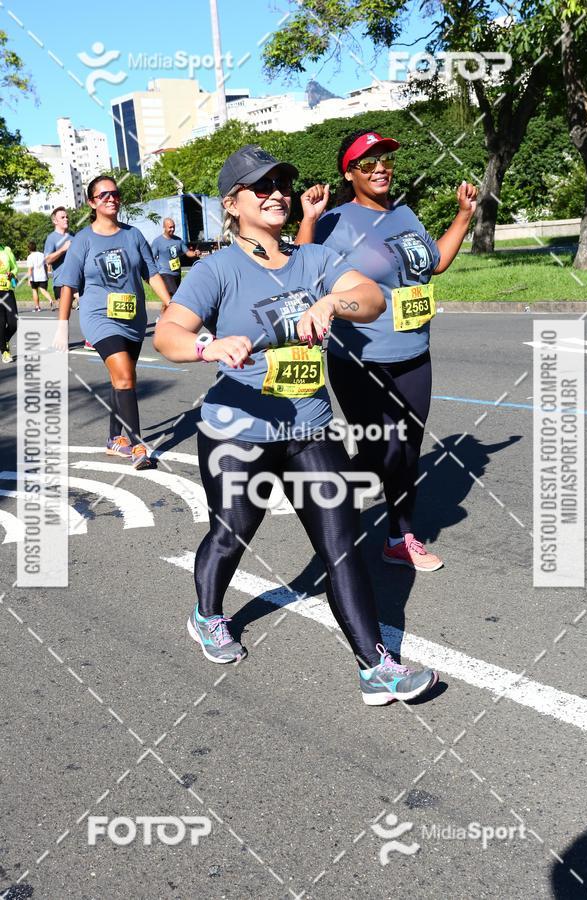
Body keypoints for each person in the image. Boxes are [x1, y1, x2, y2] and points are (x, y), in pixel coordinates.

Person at [154, 144, 438, 705]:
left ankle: (374, 666)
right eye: (262, 187)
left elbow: (370, 296)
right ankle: (207, 614)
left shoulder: (311, 260)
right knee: (233, 529)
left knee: (341, 543)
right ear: (232, 205)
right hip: (237, 428)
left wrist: (333, 306)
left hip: (308, 426)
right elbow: (168, 335)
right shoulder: (216, 270)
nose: (278, 193)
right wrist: (209, 345)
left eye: (283, 182)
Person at [298, 130, 477, 573]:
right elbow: (301, 271)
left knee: (409, 449)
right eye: (367, 162)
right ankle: (336, 497)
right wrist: (308, 216)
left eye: (384, 160)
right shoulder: (335, 221)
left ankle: (400, 537)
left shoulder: (405, 214)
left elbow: (433, 263)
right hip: (362, 357)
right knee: (385, 449)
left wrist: (464, 216)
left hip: (415, 349)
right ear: (349, 173)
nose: (380, 168)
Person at [58, 174, 171, 468]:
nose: (111, 198)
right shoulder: (82, 240)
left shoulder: (133, 235)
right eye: (104, 194)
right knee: (124, 375)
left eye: (115, 193)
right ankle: (137, 447)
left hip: (133, 319)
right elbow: (68, 283)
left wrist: (170, 303)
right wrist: (61, 325)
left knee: (121, 378)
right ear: (93, 202)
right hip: (99, 318)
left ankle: (113, 439)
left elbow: (152, 273)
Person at [151, 218, 200, 313]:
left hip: (176, 273)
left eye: (173, 227)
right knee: (175, 296)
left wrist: (194, 253)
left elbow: (187, 252)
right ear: (164, 227)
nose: (172, 229)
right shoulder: (157, 241)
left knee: (168, 297)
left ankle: (161, 317)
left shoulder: (178, 240)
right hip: (165, 273)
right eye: (170, 227)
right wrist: (157, 270)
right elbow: (152, 257)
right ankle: (175, 318)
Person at [44, 207, 74, 304]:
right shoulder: (51, 238)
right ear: (55, 221)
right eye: (63, 217)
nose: (66, 219)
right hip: (61, 283)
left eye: (67, 217)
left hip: (76, 280)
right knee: (64, 317)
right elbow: (47, 260)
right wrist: (63, 249)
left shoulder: (73, 235)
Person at [0, 241, 18, 363]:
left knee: (13, 323)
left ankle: (3, 339)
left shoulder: (6, 250)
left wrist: (12, 274)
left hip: (7, 291)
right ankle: (4, 351)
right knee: (1, 324)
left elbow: (14, 267)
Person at [26, 241, 54, 311]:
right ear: (35, 247)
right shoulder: (42, 255)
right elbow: (45, 265)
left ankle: (37, 307)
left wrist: (29, 279)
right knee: (43, 290)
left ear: (29, 249)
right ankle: (50, 300)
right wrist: (47, 274)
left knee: (34, 290)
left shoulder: (30, 257)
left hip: (34, 277)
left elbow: (30, 269)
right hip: (42, 276)